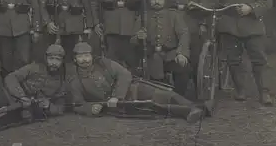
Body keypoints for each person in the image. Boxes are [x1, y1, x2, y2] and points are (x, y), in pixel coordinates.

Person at [67, 42, 210, 123]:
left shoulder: (104, 63)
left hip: (132, 90)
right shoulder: (75, 81)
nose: (84, 60)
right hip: (118, 108)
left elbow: (124, 75)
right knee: (156, 108)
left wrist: (117, 96)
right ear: (75, 60)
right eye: (80, 57)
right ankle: (191, 112)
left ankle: (197, 107)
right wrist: (90, 109)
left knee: (166, 95)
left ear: (92, 56)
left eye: (87, 55)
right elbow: (77, 104)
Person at [212, 0, 273, 106]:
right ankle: (240, 89)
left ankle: (264, 91)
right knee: (233, 61)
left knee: (259, 59)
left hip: (253, 27)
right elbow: (215, 5)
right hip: (229, 28)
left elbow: (267, 2)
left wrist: (251, 8)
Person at [157, 0, 210, 97]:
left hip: (192, 21)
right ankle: (176, 89)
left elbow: (206, 3)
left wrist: (202, 23)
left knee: (194, 55)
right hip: (171, 24)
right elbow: (158, 2)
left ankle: (197, 89)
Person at [131, 0, 191, 96]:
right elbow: (133, 40)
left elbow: (184, 34)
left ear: (165, 0)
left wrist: (181, 53)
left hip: (171, 54)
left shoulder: (173, 15)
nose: (156, 1)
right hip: (151, 55)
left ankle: (179, 97)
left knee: (182, 69)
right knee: (155, 82)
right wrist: (139, 37)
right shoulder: (143, 16)